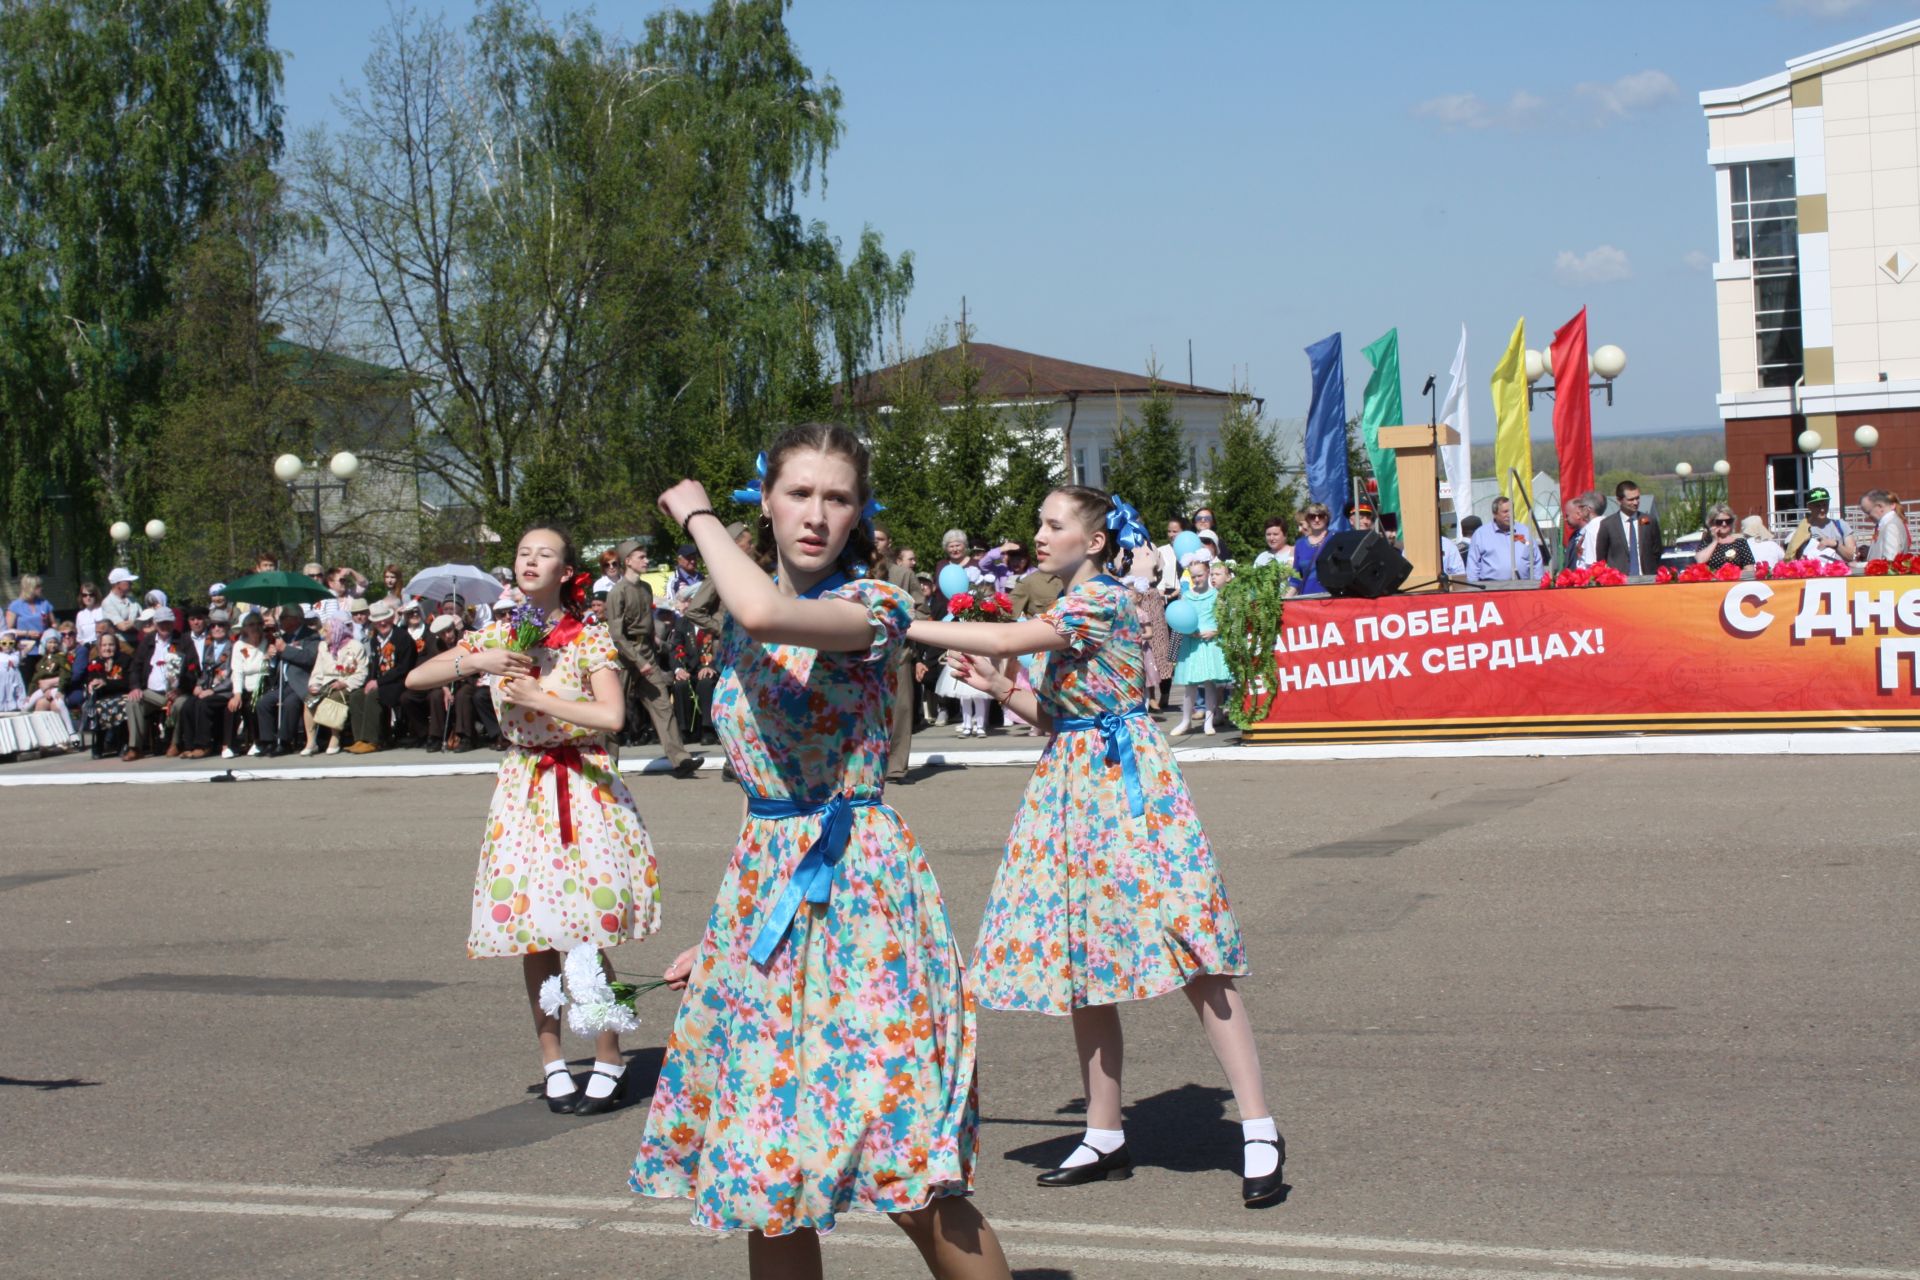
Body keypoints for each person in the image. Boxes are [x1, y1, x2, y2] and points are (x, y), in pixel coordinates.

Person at [632, 424, 1012, 1279]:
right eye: (798, 493)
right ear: (766, 502)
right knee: (771, 1182)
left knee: (913, 1175)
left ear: (858, 514)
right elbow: (763, 799)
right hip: (769, 899)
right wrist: (725, 937)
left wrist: (695, 517)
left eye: (836, 498)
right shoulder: (739, 609)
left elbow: (767, 612)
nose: (815, 514)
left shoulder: (874, 606)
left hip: (862, 902)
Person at [905, 484, 1283, 1209]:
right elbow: (1054, 714)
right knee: (1084, 957)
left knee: (1193, 945)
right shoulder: (1070, 607)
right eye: (1039, 523)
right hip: (1074, 786)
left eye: (1054, 525)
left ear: (1096, 540)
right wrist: (997, 688)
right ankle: (1105, 1132)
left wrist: (908, 623)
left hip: (1128, 788)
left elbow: (1009, 637)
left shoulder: (1101, 599)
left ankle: (1258, 1127)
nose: (1039, 535)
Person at [406, 525, 660, 1118]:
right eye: (523, 553)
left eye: (544, 553)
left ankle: (608, 1057)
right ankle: (552, 1062)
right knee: (534, 937)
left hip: (581, 785)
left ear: (566, 570)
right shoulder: (497, 632)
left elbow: (612, 715)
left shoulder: (587, 638)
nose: (530, 560)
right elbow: (417, 678)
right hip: (523, 791)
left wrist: (539, 697)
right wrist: (478, 660)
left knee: (584, 935)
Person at [605, 537, 700, 776]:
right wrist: (639, 661)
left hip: (647, 655)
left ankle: (680, 760)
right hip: (624, 658)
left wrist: (657, 647)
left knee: (662, 707)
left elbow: (646, 625)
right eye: (641, 557)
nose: (647, 560)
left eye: (646, 556)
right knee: (613, 713)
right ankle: (606, 767)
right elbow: (617, 635)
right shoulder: (617, 593)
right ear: (628, 561)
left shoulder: (646, 589)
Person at [872, 523, 918, 781]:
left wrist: (903, 623)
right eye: (871, 538)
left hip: (898, 651)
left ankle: (896, 766)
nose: (875, 543)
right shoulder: (852, 571)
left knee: (900, 709)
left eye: (880, 539)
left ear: (888, 543)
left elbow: (921, 609)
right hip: (859, 649)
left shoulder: (902, 574)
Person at [126, 606, 198, 761]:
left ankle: (175, 743)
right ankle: (135, 747)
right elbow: (135, 667)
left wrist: (180, 689)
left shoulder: (184, 640)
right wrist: (135, 687)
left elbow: (193, 669)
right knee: (133, 701)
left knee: (180, 705)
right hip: (152, 692)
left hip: (176, 692)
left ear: (173, 623)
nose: (164, 626)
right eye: (161, 623)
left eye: (167, 623)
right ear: (155, 624)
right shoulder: (148, 641)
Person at [1171, 559, 1233, 736]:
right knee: (1190, 684)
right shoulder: (1187, 595)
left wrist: (1215, 631)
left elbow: (1225, 619)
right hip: (1191, 643)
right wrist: (1186, 630)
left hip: (1209, 642)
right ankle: (1186, 720)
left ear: (1207, 574)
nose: (1197, 579)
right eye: (1193, 576)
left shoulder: (1216, 595)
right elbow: (1181, 617)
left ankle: (1208, 721)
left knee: (1209, 682)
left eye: (1200, 575)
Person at [348, 599, 417, 752]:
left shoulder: (403, 638)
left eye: (385, 619)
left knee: (375, 695)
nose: (382, 623)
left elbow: (403, 668)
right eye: (378, 621)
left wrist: (378, 683)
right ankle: (359, 738)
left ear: (392, 619)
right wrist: (371, 681)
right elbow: (374, 664)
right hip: (381, 681)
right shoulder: (375, 640)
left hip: (400, 681)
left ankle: (372, 740)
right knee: (356, 696)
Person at [302, 613, 366, 756]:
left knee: (334, 699)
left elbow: (361, 673)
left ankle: (335, 738)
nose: (324, 634)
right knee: (309, 701)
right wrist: (314, 684)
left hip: (345, 683)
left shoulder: (355, 647)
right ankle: (311, 742)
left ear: (337, 630)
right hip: (326, 683)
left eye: (327, 631)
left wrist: (344, 683)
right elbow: (317, 670)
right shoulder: (323, 646)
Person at [257, 606, 318, 755]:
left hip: (301, 682)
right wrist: (271, 657)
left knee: (291, 703)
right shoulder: (283, 637)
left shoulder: (311, 636)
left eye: (284, 618)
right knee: (263, 702)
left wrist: (286, 650)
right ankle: (268, 741)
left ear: (295, 619)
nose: (281, 621)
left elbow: (310, 658)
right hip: (283, 683)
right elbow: (275, 664)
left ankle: (284, 742)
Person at [177, 612, 235, 758]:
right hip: (208, 689)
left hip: (225, 691)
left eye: (220, 625)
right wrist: (198, 685)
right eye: (213, 626)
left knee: (203, 704)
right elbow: (205, 672)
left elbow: (233, 675)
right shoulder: (209, 647)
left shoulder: (233, 647)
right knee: (188, 705)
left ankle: (204, 745)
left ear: (227, 627)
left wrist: (213, 690)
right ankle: (189, 745)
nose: (216, 628)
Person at [1594, 481, 1663, 577]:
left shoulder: (1649, 521)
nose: (1635, 502)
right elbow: (1601, 557)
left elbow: (1657, 550)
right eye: (1631, 499)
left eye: (1637, 498)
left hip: (1646, 579)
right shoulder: (1608, 524)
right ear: (1619, 500)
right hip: (1619, 581)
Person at [81, 631, 132, 758]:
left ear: (116, 646)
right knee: (96, 707)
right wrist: (92, 684)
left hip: (122, 694)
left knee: (120, 705)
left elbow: (127, 682)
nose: (107, 648)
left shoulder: (125, 660)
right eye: (104, 645)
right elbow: (91, 681)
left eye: (111, 645)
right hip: (102, 697)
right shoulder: (95, 663)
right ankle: (99, 744)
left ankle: (122, 743)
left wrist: (106, 682)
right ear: (99, 647)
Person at [1466, 497, 1541, 582]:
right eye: (1505, 512)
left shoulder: (1525, 531)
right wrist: (1474, 590)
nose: (1509, 515)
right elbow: (1473, 566)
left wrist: (1538, 585)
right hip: (1492, 588)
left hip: (1523, 586)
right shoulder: (1481, 534)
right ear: (1495, 514)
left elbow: (1536, 560)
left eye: (1511, 511)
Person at [5, 574, 55, 687]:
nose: (41, 588)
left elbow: (53, 624)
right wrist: (27, 633)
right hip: (25, 650)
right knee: (27, 681)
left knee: (44, 678)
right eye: (38, 586)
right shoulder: (15, 606)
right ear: (30, 588)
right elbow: (8, 630)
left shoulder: (44, 603)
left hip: (43, 649)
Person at [1784, 487, 1855, 560]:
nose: (1822, 509)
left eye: (1825, 505)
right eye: (1817, 506)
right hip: (1814, 570)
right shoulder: (1803, 529)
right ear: (1809, 506)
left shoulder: (1841, 525)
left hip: (1840, 569)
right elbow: (1793, 555)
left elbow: (1852, 556)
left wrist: (1835, 544)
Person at [1288, 502, 1333, 596]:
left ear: (1326, 518)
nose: (1316, 520)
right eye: (1312, 516)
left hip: (1331, 598)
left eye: (1320, 516)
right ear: (1307, 519)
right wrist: (1285, 600)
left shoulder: (1335, 538)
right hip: (1307, 600)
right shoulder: (1300, 544)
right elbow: (1295, 578)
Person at [1694, 503, 1753, 571]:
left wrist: (1731, 575)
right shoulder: (1706, 542)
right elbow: (1700, 561)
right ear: (1711, 523)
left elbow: (1750, 569)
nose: (1724, 524)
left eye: (1728, 521)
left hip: (1735, 580)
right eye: (1719, 522)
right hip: (1712, 581)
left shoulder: (1740, 542)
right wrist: (1715, 541)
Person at [1862, 488, 1910, 560]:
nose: (1867, 516)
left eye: (1868, 512)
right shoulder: (1885, 524)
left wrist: (1858, 566)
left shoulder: (1891, 526)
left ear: (1880, 507)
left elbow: (1890, 561)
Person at [1562, 493, 1603, 570]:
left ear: (1578, 514)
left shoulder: (1592, 531)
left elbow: (1592, 562)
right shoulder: (1574, 536)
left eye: (1567, 515)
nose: (1565, 519)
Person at [100, 567, 142, 640]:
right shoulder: (108, 602)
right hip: (120, 644)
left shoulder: (133, 600)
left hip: (137, 640)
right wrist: (139, 623)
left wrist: (132, 623)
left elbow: (145, 620)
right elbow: (123, 627)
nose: (131, 583)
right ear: (117, 584)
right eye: (128, 581)